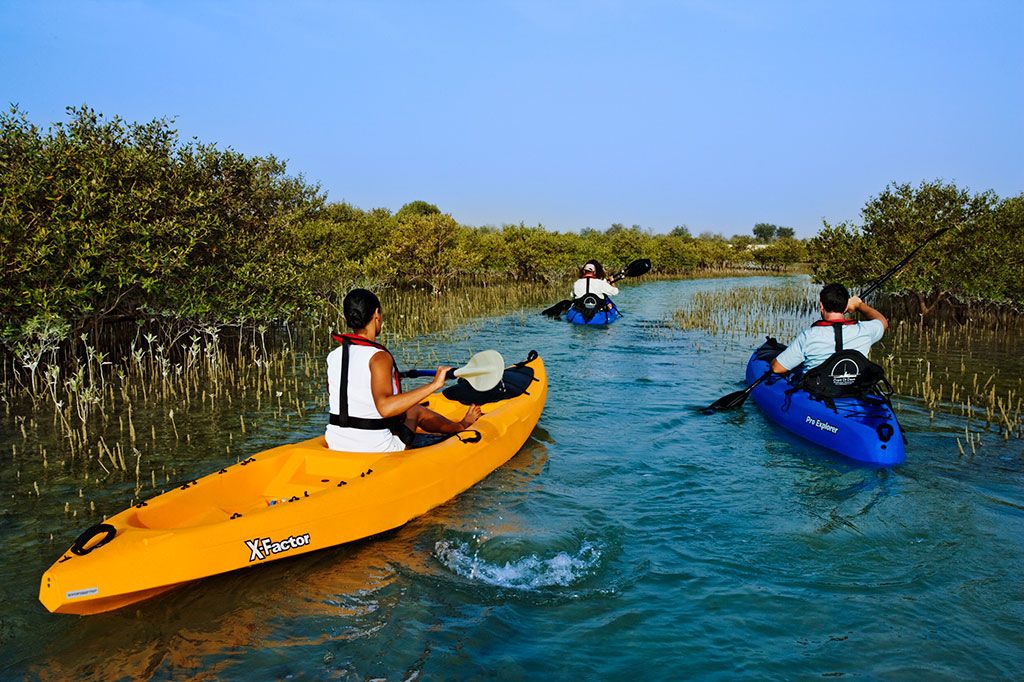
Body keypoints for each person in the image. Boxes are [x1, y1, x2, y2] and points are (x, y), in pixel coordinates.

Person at [326, 289, 481, 452]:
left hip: (336, 442)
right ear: (377, 314)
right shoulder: (379, 357)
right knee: (415, 410)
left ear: (346, 318)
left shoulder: (333, 356)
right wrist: (434, 385)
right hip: (375, 448)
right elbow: (385, 408)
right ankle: (461, 426)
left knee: (403, 412)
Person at [771, 283, 888, 375]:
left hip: (817, 391)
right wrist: (859, 305)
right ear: (847, 306)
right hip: (854, 390)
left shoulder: (809, 335)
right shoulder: (865, 330)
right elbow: (882, 321)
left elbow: (777, 368)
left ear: (821, 305)